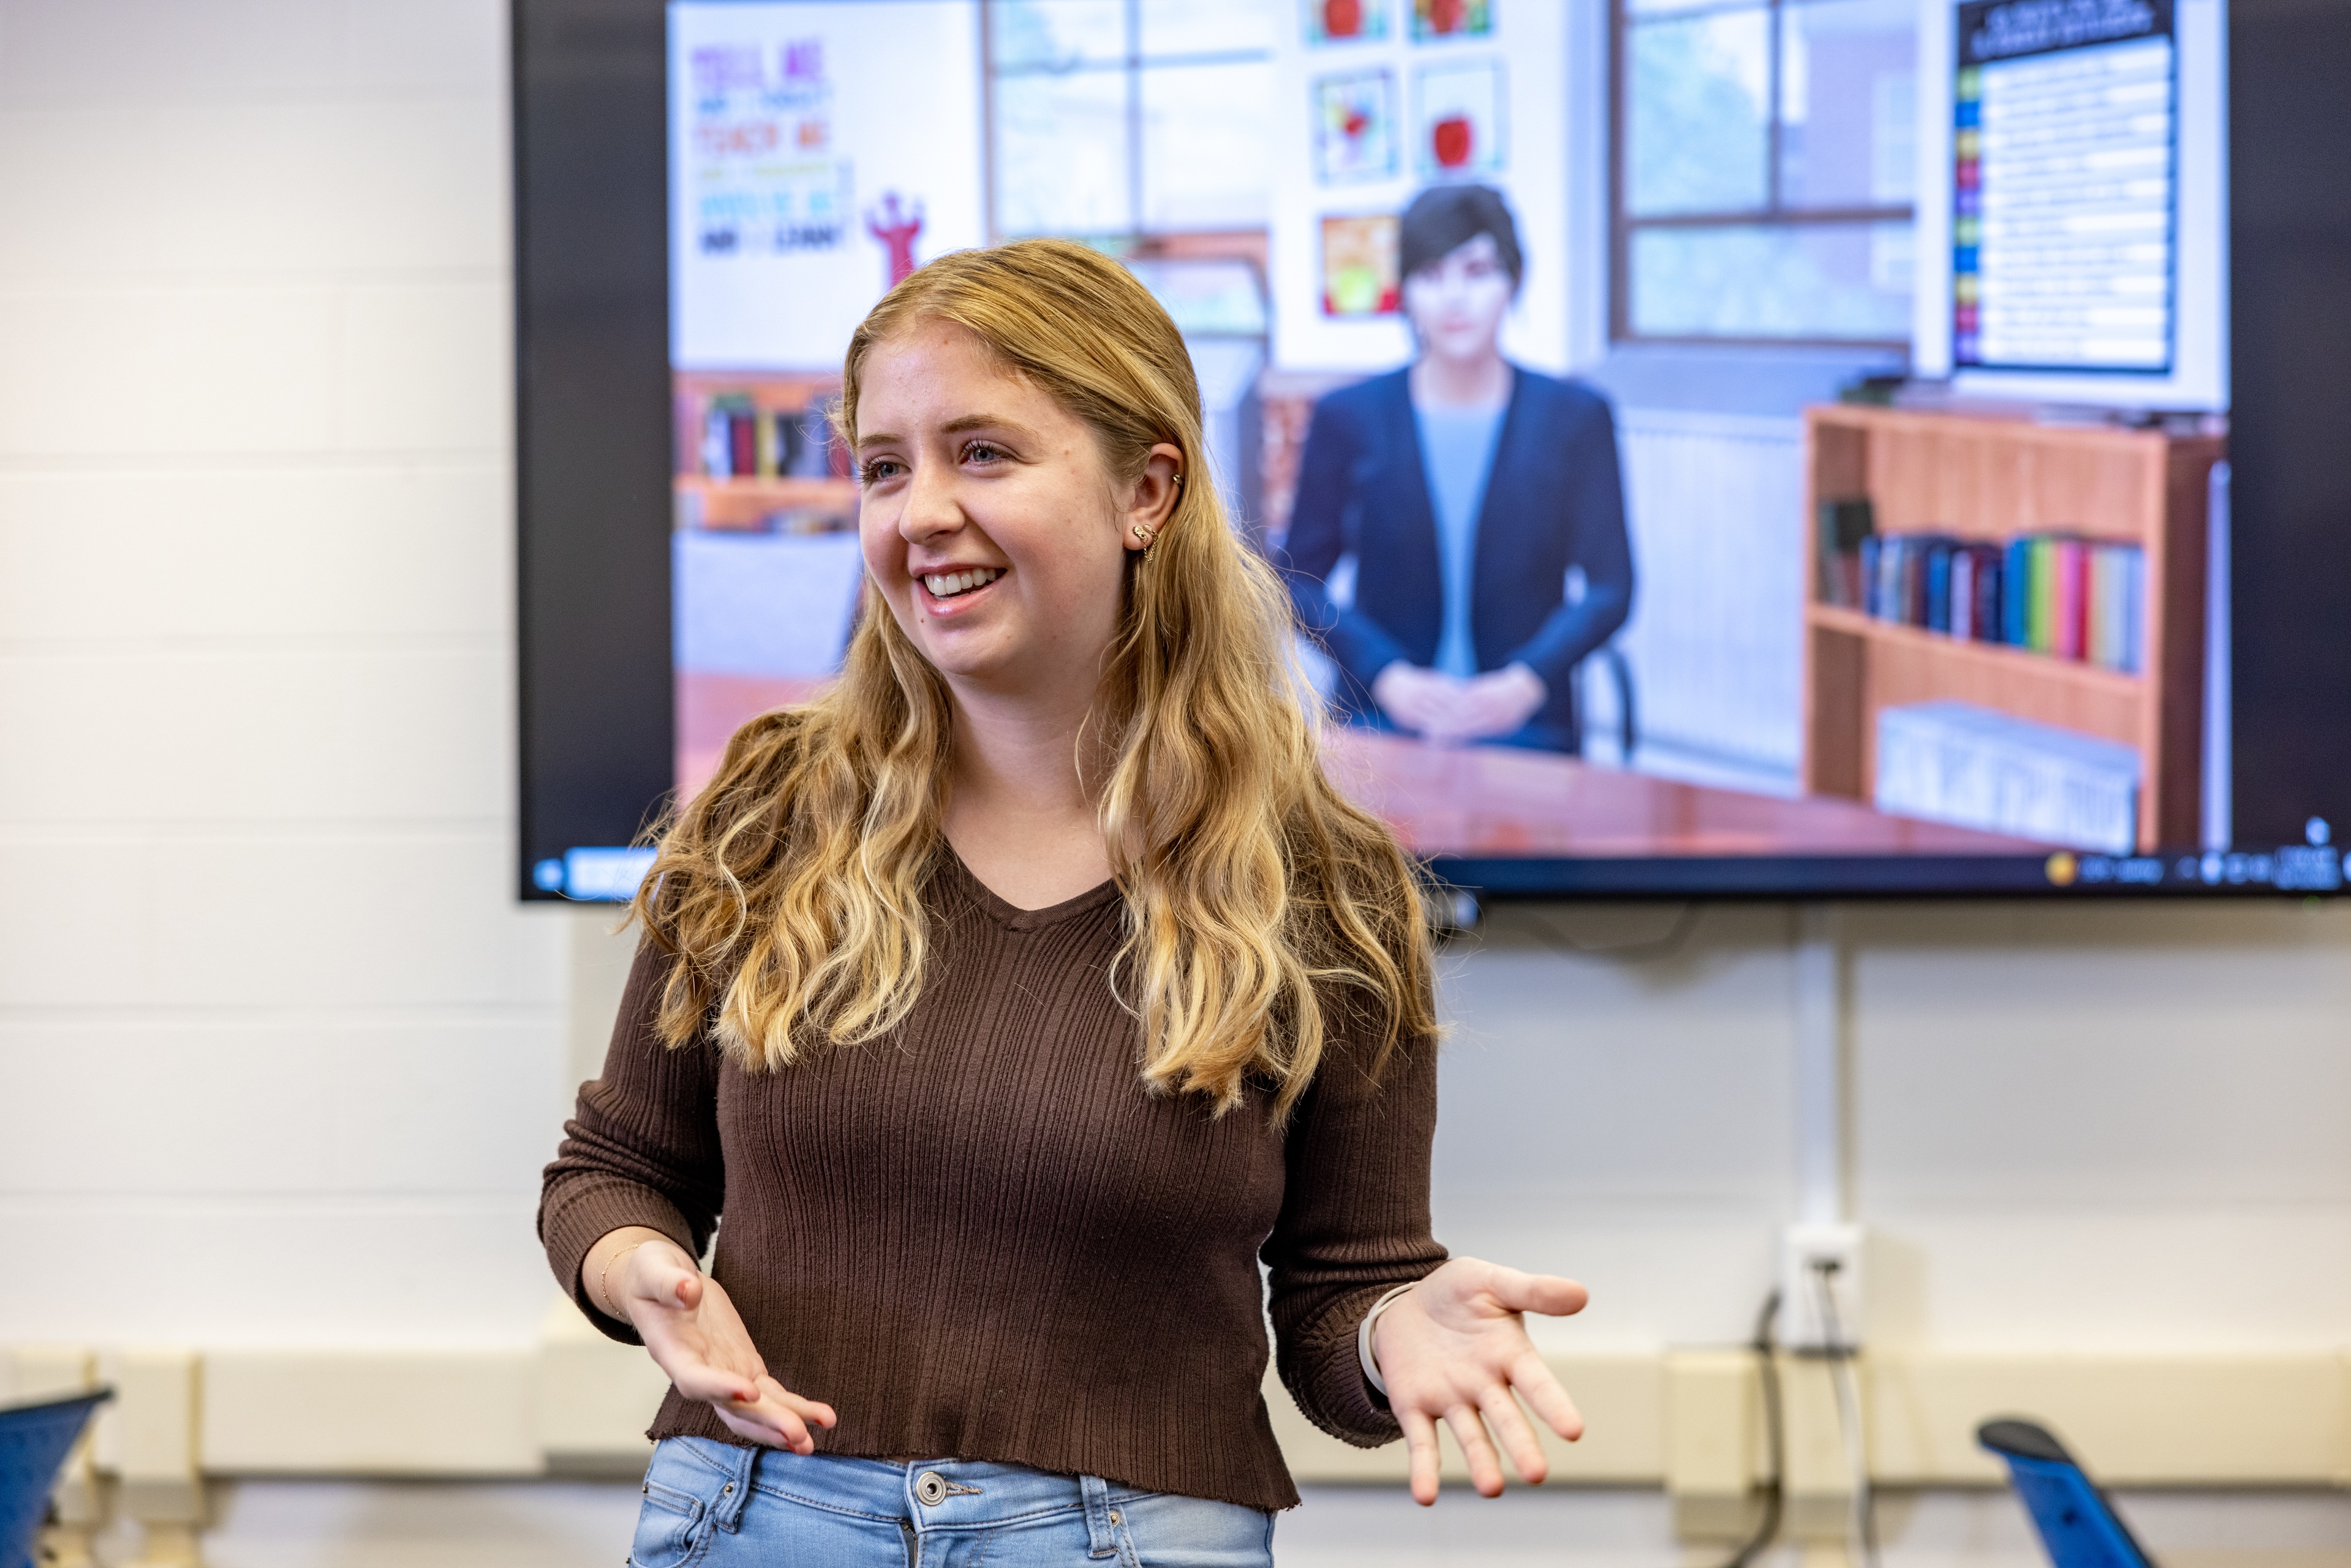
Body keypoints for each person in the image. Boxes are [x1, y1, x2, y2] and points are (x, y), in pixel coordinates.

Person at [540, 239, 1589, 1567]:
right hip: (756, 1515)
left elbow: (1337, 1292)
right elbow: (615, 1170)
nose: (918, 509)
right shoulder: (768, 809)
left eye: (981, 453)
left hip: (1128, 1538)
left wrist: (1389, 1331)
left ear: (1146, 488)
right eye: (883, 464)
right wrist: (634, 1265)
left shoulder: (1324, 883)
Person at [1281, 184, 1634, 753]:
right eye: (1429, 275)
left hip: (1527, 723)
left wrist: (1526, 680)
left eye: (1477, 271)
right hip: (1380, 718)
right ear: (1405, 293)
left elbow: (1611, 587)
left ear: (1513, 281)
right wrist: (1385, 673)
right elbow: (1296, 577)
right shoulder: (1347, 417)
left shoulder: (1577, 418)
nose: (1454, 298)